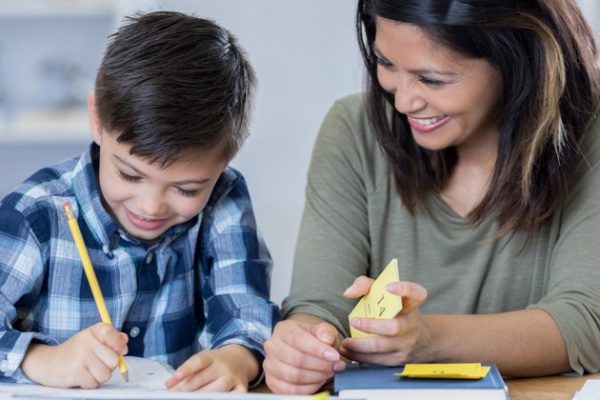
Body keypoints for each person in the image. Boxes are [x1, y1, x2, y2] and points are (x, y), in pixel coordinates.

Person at [264, 0, 600, 394]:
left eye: (433, 80)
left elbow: (586, 323)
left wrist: (427, 340)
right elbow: (320, 304)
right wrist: (303, 343)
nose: (403, 101)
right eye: (386, 63)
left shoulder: (589, 137)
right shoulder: (352, 131)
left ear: (518, 63)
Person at [0, 11, 280, 391]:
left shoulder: (223, 198)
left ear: (227, 159)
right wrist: (40, 359)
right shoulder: (36, 212)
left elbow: (245, 308)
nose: (150, 207)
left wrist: (239, 357)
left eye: (186, 190)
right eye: (130, 175)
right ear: (97, 118)